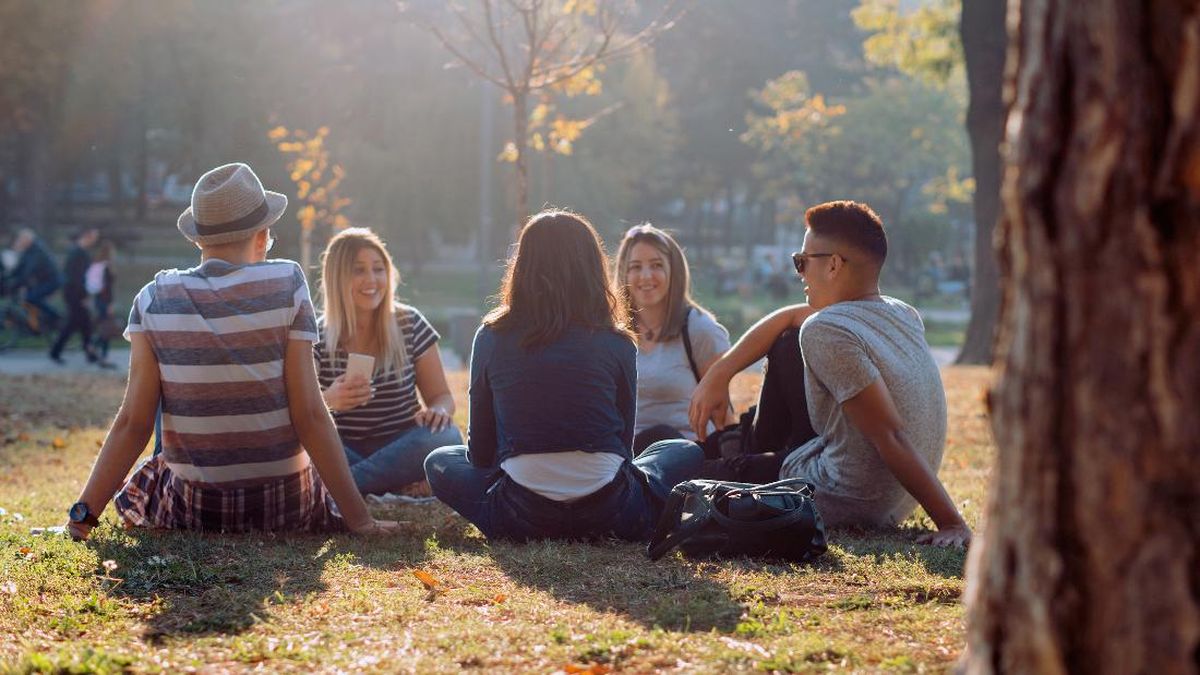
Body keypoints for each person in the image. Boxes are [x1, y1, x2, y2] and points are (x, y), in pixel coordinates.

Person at [65, 163, 398, 540]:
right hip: (285, 504)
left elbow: (133, 423)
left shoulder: (154, 297)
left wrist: (81, 518)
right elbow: (309, 413)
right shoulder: (287, 282)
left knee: (166, 400)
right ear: (263, 234)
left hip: (196, 510)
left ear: (198, 240)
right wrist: (360, 521)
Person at [689, 200, 971, 548]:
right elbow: (789, 317)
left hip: (844, 495)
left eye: (802, 262)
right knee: (788, 341)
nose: (800, 272)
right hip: (893, 500)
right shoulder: (901, 312)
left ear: (834, 265)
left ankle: (738, 456)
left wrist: (951, 522)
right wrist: (722, 371)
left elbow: (890, 434)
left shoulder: (827, 330)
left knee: (679, 474)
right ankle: (740, 450)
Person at [424, 210, 704, 542]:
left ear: (523, 266)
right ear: (592, 268)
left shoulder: (491, 336)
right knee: (684, 451)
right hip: (612, 512)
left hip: (520, 515)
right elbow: (623, 450)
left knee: (440, 461)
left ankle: (507, 515)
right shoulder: (617, 341)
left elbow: (481, 455)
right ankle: (647, 510)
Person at [314, 227, 461, 495]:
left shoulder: (411, 323)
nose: (372, 279)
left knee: (447, 436)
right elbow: (303, 414)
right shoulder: (315, 336)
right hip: (344, 448)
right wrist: (328, 401)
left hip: (403, 444)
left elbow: (442, 396)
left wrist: (439, 411)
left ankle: (344, 487)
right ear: (337, 277)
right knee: (306, 446)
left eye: (378, 269)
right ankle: (389, 485)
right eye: (358, 270)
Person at [613, 224, 730, 453]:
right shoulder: (613, 334)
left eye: (656, 265)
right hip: (629, 458)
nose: (646, 276)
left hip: (687, 456)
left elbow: (723, 416)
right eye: (635, 267)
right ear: (624, 274)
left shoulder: (699, 329)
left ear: (673, 271)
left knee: (663, 437)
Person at [49, 227, 101, 365]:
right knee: (73, 324)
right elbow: (76, 278)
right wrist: (83, 296)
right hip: (75, 294)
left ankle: (89, 353)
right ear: (86, 236)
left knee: (85, 324)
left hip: (74, 293)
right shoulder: (78, 254)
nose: (95, 241)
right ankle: (55, 351)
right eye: (94, 237)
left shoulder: (78, 252)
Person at [5, 228, 62, 329]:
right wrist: (7, 277)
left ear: (28, 240)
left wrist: (16, 284)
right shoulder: (28, 251)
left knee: (32, 297)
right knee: (28, 299)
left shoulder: (37, 251)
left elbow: (28, 272)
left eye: (21, 240)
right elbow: (19, 268)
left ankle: (55, 317)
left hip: (53, 280)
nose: (19, 242)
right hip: (43, 281)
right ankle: (35, 325)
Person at [86, 239, 117, 368]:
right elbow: (107, 288)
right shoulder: (106, 267)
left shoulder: (97, 264)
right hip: (105, 301)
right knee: (106, 329)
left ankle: (94, 348)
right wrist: (110, 304)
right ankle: (99, 352)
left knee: (103, 328)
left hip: (98, 300)